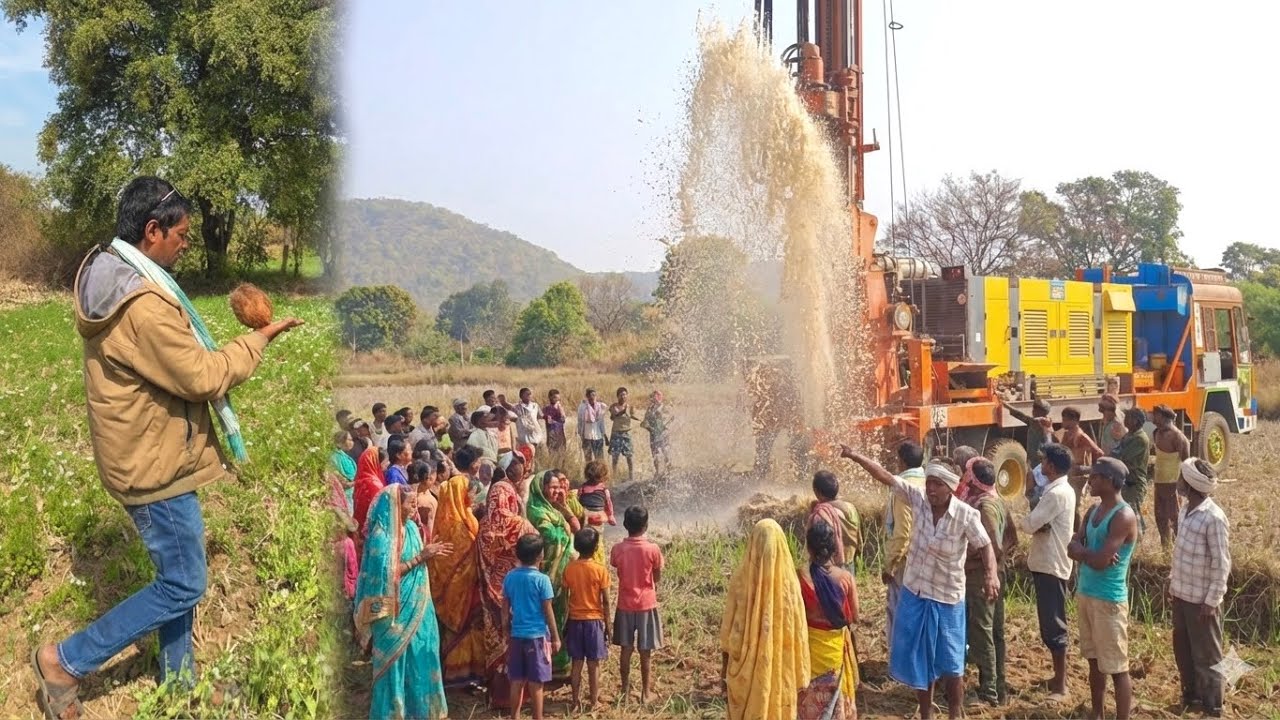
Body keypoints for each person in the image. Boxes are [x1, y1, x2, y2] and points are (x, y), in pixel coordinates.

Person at [32, 178, 306, 716]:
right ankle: (65, 660)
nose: (186, 244)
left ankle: (179, 684)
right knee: (184, 583)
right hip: (153, 464)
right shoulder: (142, 304)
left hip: (148, 451)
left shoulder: (113, 271)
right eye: (180, 234)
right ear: (151, 231)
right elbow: (203, 376)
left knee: (177, 574)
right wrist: (259, 338)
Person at [841, 447, 999, 720]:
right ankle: (925, 713)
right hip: (916, 592)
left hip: (947, 598)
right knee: (920, 662)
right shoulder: (918, 500)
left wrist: (990, 575)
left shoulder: (966, 515)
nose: (931, 490)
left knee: (952, 665)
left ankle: (954, 713)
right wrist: (855, 455)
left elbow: (986, 546)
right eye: (929, 483)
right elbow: (886, 477)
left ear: (951, 487)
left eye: (937, 485)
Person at [354, 484, 452, 719]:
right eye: (410, 503)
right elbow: (385, 575)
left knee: (421, 652)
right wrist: (421, 557)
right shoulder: (382, 537)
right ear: (396, 505)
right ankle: (394, 711)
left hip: (418, 604)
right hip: (392, 612)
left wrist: (430, 554)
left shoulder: (410, 528)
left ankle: (421, 711)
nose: (414, 507)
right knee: (395, 660)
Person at [1068, 457, 1138, 720]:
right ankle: (1096, 713)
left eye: (1095, 477)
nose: (1090, 480)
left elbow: (1094, 558)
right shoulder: (1092, 511)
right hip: (1087, 593)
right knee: (1094, 660)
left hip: (1109, 599)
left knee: (1118, 668)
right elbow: (1076, 550)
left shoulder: (1123, 515)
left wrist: (1085, 552)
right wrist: (1090, 553)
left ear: (1109, 481)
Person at [719, 518, 810, 720]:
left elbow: (728, 635)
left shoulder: (740, 581)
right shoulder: (791, 587)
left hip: (746, 678)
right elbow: (799, 634)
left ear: (752, 544)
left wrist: (724, 674)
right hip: (781, 673)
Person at [1170, 458, 1230, 717]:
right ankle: (1191, 696)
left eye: (1181, 477)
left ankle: (1213, 707)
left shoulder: (1214, 518)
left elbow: (1221, 563)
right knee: (1183, 650)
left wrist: (1212, 600)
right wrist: (1172, 582)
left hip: (1202, 602)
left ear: (1190, 484)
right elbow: (1181, 552)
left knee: (1208, 657)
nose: (1178, 481)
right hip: (1181, 595)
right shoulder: (1185, 509)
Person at [477, 461, 537, 710]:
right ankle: (522, 699)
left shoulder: (483, 528)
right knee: (518, 644)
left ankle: (500, 697)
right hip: (518, 597)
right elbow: (536, 550)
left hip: (493, 598)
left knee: (498, 643)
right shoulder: (521, 526)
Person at [1018, 442, 1075, 700]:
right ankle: (1057, 678)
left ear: (1051, 465)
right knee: (1051, 622)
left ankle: (1061, 686)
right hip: (1050, 562)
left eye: (1044, 461)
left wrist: (1021, 518)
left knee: (1054, 625)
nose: (1041, 465)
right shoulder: (1060, 490)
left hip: (1051, 564)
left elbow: (1030, 525)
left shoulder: (1055, 494)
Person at [426, 463, 487, 688]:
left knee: (464, 629)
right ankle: (464, 674)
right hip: (465, 587)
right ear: (459, 494)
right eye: (468, 492)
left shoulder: (450, 518)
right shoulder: (459, 524)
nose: (471, 495)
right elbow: (466, 552)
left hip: (458, 589)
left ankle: (458, 674)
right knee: (468, 628)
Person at [964, 459, 1014, 707]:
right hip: (995, 574)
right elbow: (1012, 538)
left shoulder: (983, 506)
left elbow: (991, 543)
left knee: (982, 632)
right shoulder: (998, 500)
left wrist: (974, 560)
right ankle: (999, 686)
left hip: (981, 578)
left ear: (974, 481)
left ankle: (989, 691)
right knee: (995, 631)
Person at [797, 520, 859, 720]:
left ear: (808, 547)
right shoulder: (846, 578)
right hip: (834, 654)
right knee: (835, 704)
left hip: (809, 653)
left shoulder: (800, 577)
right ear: (834, 547)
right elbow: (854, 617)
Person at [525, 470, 581, 681]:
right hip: (547, 575)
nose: (557, 490)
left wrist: (564, 507)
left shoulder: (553, 508)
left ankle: (561, 664)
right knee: (549, 619)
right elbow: (550, 539)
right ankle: (548, 667)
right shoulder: (537, 511)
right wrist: (564, 530)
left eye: (559, 486)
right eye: (552, 487)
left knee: (562, 616)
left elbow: (575, 527)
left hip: (561, 573)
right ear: (541, 488)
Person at [502, 534, 561, 720]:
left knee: (516, 681)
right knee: (537, 682)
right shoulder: (542, 580)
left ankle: (515, 716)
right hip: (537, 637)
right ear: (540, 556)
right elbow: (548, 610)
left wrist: (505, 629)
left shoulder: (510, 577)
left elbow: (504, 605)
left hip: (517, 634)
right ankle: (538, 717)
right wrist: (556, 637)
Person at [611, 505, 665, 704]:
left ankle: (624, 690)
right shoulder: (653, 549)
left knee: (626, 649)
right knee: (645, 651)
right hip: (646, 603)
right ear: (646, 525)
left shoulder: (618, 549)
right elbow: (656, 575)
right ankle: (645, 692)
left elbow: (616, 567)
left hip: (625, 603)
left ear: (625, 525)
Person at [882, 440, 925, 660]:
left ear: (902, 461)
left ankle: (901, 660)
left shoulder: (903, 488)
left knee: (899, 609)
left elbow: (903, 532)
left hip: (905, 559)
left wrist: (891, 563)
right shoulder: (928, 481)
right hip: (924, 556)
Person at [563, 528, 612, 711]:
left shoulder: (570, 568)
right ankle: (594, 701)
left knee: (576, 663)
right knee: (594, 664)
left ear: (576, 546)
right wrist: (608, 625)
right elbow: (606, 601)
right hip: (594, 621)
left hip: (575, 620)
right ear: (596, 547)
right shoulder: (600, 570)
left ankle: (575, 701)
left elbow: (566, 595)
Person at [805, 470, 862, 576]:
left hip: (830, 566)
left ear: (817, 492)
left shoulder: (822, 513)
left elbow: (817, 542)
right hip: (849, 560)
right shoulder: (851, 507)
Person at [1152, 404, 1191, 549]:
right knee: (1160, 517)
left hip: (1172, 482)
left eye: (1156, 415)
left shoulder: (1178, 437)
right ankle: (1165, 549)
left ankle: (1180, 548)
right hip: (1159, 481)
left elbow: (1186, 463)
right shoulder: (1156, 433)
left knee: (1175, 517)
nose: (1153, 417)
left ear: (1163, 417)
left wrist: (1182, 483)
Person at [1060, 407, 1105, 529]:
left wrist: (1090, 469)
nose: (1063, 422)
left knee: (1074, 506)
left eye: (1065, 419)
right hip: (1069, 474)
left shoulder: (1081, 436)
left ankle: (1077, 532)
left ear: (1074, 420)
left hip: (1079, 475)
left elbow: (1099, 453)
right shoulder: (1067, 435)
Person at [1111, 407, 1152, 536]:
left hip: (1135, 483)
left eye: (1128, 418)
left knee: (1134, 513)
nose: (1125, 420)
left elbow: (1121, 455)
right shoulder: (1130, 435)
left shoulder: (1140, 438)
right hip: (1127, 482)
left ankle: (1137, 539)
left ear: (1135, 421)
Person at [353, 446, 386, 545]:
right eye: (384, 462)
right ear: (376, 463)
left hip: (358, 525)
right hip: (371, 531)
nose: (386, 465)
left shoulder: (361, 480)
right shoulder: (375, 485)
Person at [608, 387, 640, 481]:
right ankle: (614, 478)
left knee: (629, 457)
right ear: (617, 396)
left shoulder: (630, 407)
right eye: (621, 395)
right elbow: (615, 415)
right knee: (615, 457)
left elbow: (633, 415)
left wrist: (640, 419)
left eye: (625, 394)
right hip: (616, 434)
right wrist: (624, 410)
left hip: (626, 433)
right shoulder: (614, 406)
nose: (623, 396)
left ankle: (631, 477)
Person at [640, 390, 673, 477]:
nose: (656, 399)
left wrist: (663, 423)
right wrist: (647, 426)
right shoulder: (650, 409)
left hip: (663, 433)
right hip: (653, 434)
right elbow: (645, 421)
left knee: (666, 451)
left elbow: (670, 419)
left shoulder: (665, 407)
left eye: (658, 396)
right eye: (654, 397)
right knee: (655, 453)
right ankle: (658, 472)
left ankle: (669, 470)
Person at [579, 460, 617, 530]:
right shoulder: (604, 489)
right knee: (598, 532)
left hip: (585, 513)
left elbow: (578, 499)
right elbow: (608, 503)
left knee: (584, 531)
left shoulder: (583, 487)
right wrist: (610, 516)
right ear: (603, 476)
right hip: (599, 513)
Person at [512, 388, 546, 460]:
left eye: (530, 394)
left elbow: (540, 416)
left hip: (535, 433)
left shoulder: (535, 405)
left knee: (538, 454)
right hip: (524, 435)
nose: (529, 396)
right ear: (521, 396)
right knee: (527, 455)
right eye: (526, 394)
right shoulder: (517, 407)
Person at [578, 388, 608, 464]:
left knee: (600, 460)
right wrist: (580, 435)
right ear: (587, 396)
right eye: (590, 395)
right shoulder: (582, 407)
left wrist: (604, 435)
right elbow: (580, 422)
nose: (592, 397)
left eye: (594, 395)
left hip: (598, 436)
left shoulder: (599, 406)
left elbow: (601, 422)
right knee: (588, 460)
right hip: (587, 436)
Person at [332, 430, 358, 512]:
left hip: (352, 494)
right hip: (345, 495)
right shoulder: (335, 457)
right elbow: (341, 480)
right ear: (342, 441)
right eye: (349, 440)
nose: (352, 442)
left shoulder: (343, 455)